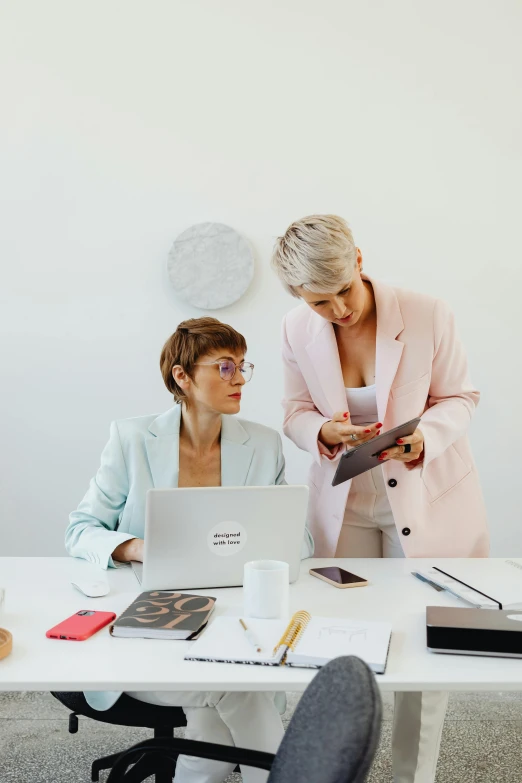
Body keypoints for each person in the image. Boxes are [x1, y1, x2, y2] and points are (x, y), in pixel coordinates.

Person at [271, 214, 489, 783]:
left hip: (424, 497)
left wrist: (426, 438)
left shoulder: (427, 313)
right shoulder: (296, 328)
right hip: (344, 503)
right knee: (336, 632)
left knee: (426, 636)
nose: (339, 310)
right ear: (299, 296)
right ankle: (331, 766)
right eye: (320, 302)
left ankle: (415, 775)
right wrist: (321, 431)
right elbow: (294, 412)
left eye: (343, 290)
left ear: (359, 261)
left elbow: (461, 397)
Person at [66, 317, 313, 783]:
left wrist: (260, 550)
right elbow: (80, 529)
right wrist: (135, 547)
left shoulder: (261, 445)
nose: (239, 379)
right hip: (148, 629)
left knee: (213, 728)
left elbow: (297, 540)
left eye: (242, 366)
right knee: (241, 689)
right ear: (182, 376)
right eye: (224, 367)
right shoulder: (132, 439)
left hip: (234, 621)